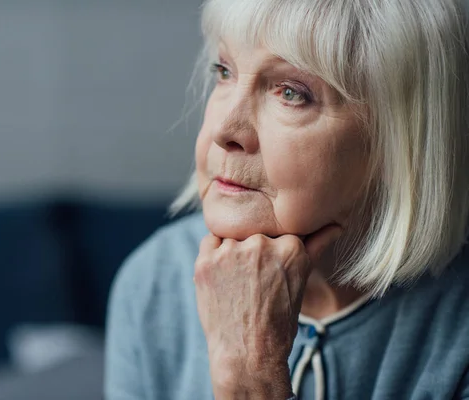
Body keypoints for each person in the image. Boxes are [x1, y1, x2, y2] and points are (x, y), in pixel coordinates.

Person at [104, 0, 469, 398]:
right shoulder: (154, 283)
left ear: (402, 145)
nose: (225, 130)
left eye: (291, 93)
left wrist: (250, 376)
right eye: (224, 71)